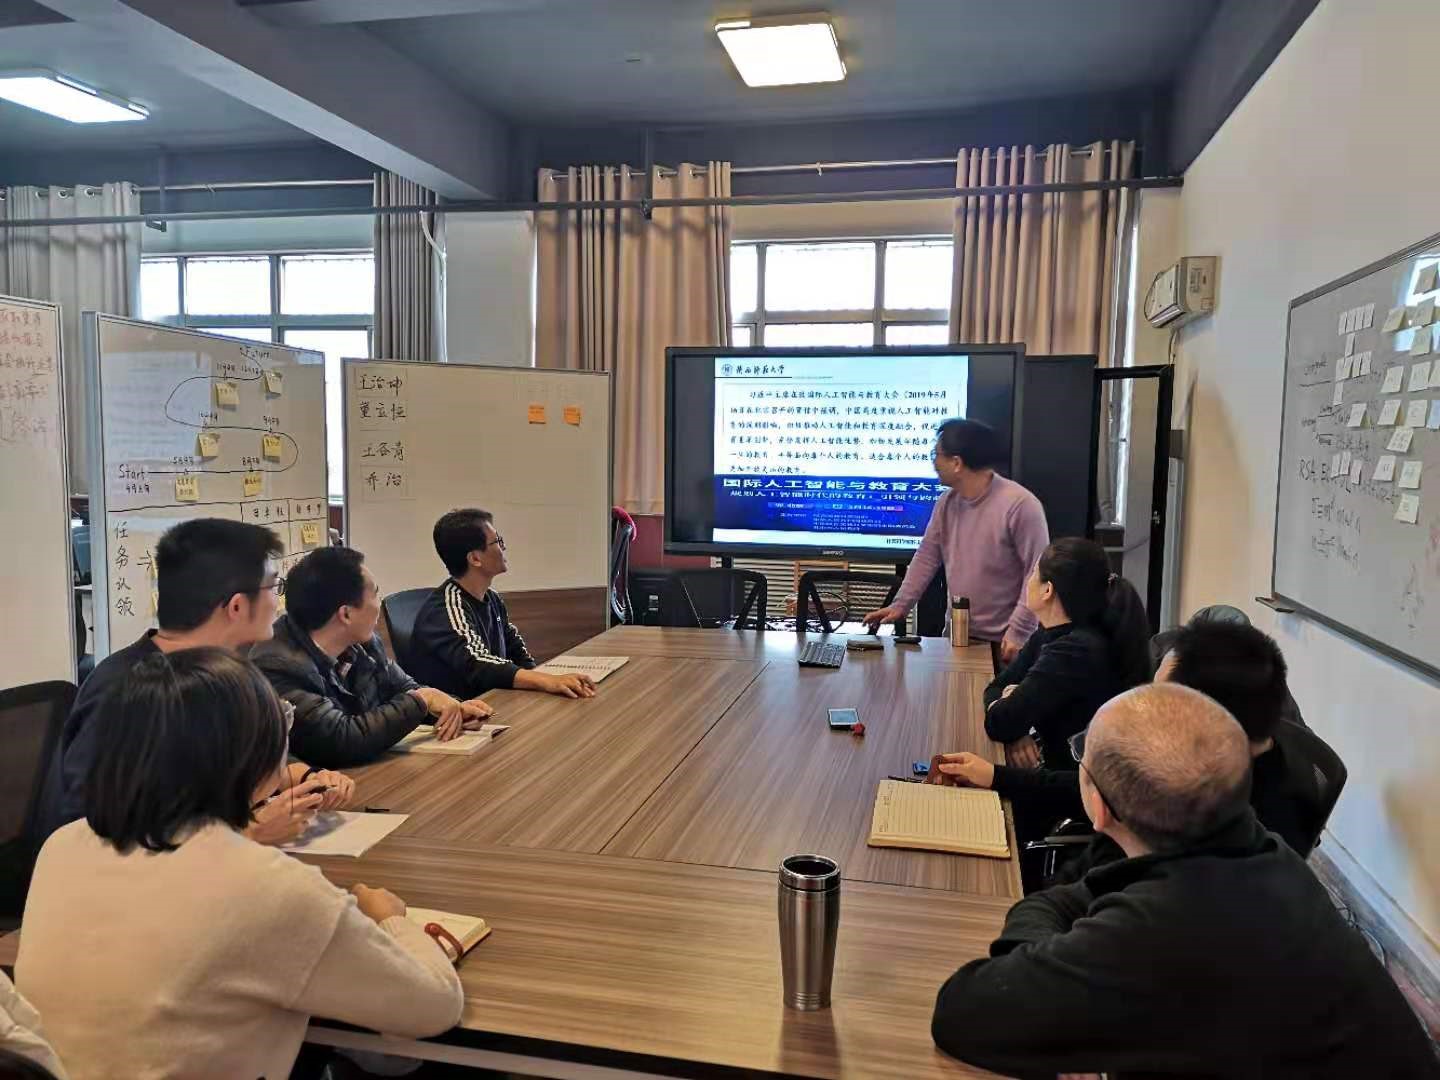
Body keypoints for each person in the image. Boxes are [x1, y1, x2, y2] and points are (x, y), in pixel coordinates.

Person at [930, 683, 1439, 1079]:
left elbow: (963, 1011)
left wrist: (1052, 1003)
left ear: (1098, 808)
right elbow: (1068, 899)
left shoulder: (1163, 925)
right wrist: (1063, 1003)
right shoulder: (1261, 852)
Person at [17, 649, 463, 1080]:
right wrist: (390, 918)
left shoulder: (62, 846)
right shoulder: (267, 886)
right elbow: (434, 1006)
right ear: (250, 752)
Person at [35, 518, 353, 846]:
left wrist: (301, 777)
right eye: (274, 586)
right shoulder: (125, 690)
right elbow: (88, 842)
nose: (278, 600)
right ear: (237, 606)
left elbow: (221, 773)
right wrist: (249, 835)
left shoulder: (221, 677)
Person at [934, 620, 1322, 858]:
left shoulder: (1229, 825)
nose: (1150, 709)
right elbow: (1110, 787)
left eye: (1161, 700)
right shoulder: (1224, 766)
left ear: (1209, 717)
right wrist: (996, 776)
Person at [252, 546, 494, 768]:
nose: (379, 604)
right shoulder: (278, 665)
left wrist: (449, 711)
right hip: (325, 789)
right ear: (346, 614)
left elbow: (404, 689)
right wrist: (423, 701)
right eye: (376, 594)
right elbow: (341, 740)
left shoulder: (362, 642)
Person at [862, 418, 1048, 666]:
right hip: (958, 637)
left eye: (936, 455)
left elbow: (1038, 571)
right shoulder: (947, 503)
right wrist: (901, 605)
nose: (934, 463)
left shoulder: (1020, 505)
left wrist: (1019, 631)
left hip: (1007, 643)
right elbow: (927, 556)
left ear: (957, 463)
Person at [980, 537, 1150, 772]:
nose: (1028, 581)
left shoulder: (1074, 652)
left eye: (1033, 573)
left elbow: (999, 722)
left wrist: (1013, 710)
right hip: (1053, 770)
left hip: (1072, 784)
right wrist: (1015, 724)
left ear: (1047, 590)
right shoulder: (1048, 634)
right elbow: (996, 689)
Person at [409, 509, 596, 699]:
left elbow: (515, 649)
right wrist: (545, 681)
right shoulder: (446, 608)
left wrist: (545, 679)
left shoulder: (492, 597)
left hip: (496, 701)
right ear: (475, 559)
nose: (503, 547)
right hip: (463, 711)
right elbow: (478, 663)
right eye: (497, 541)